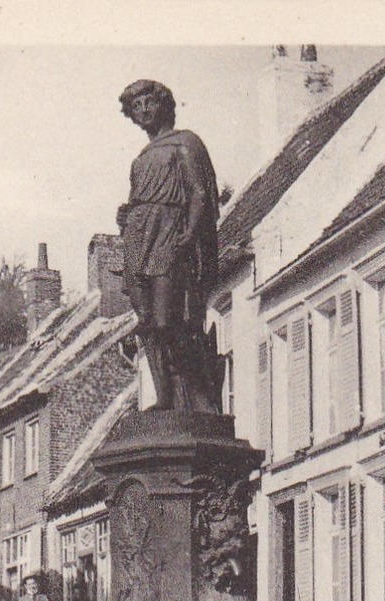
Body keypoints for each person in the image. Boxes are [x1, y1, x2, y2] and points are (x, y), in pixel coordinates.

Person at [117, 79, 221, 413]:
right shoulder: (141, 158)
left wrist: (189, 233)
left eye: (149, 102)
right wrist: (127, 214)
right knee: (146, 319)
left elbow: (200, 194)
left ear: (165, 104)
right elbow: (139, 200)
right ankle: (164, 396)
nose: (143, 111)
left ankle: (194, 393)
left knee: (166, 321)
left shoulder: (185, 143)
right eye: (136, 107)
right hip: (139, 237)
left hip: (168, 236)